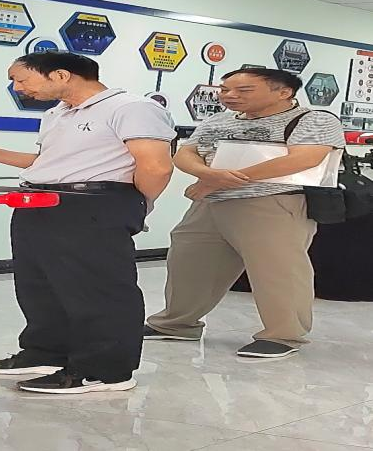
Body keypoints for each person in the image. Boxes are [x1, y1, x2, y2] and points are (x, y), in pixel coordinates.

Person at [0, 52, 175, 394]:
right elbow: (47, 162)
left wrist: (134, 205)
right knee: (40, 286)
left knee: (97, 291)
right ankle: (45, 353)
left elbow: (157, 166)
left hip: (94, 205)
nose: (18, 88)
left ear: (60, 75)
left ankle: (106, 371)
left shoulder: (131, 107)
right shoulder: (56, 113)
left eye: (21, 79)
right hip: (40, 201)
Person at [145, 68, 345, 358]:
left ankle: (283, 335)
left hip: (273, 203)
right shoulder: (219, 119)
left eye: (244, 90)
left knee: (277, 270)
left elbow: (304, 159)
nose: (230, 95)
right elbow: (186, 153)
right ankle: (176, 324)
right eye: (225, 89)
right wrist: (208, 175)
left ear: (283, 92)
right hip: (210, 202)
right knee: (189, 262)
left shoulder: (313, 119)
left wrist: (221, 180)